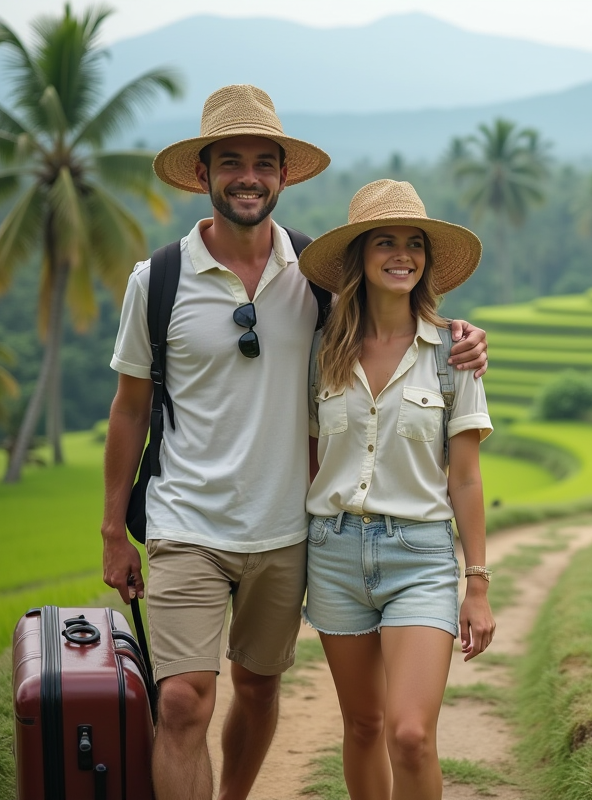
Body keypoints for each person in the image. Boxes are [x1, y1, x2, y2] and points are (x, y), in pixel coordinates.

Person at [99, 86, 488, 800]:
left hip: (286, 531)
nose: (248, 176)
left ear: (283, 176)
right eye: (232, 162)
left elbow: (394, 311)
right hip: (185, 521)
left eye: (263, 163)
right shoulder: (156, 281)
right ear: (203, 174)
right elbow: (128, 412)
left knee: (256, 685)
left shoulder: (313, 281)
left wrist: (462, 337)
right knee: (184, 700)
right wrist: (112, 532)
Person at [299, 179, 494, 800]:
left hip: (420, 557)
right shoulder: (321, 350)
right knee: (362, 725)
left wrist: (479, 584)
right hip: (332, 555)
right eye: (385, 241)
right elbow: (306, 457)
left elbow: (464, 475)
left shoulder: (452, 354)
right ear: (359, 256)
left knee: (410, 735)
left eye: (414, 243)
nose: (401, 254)